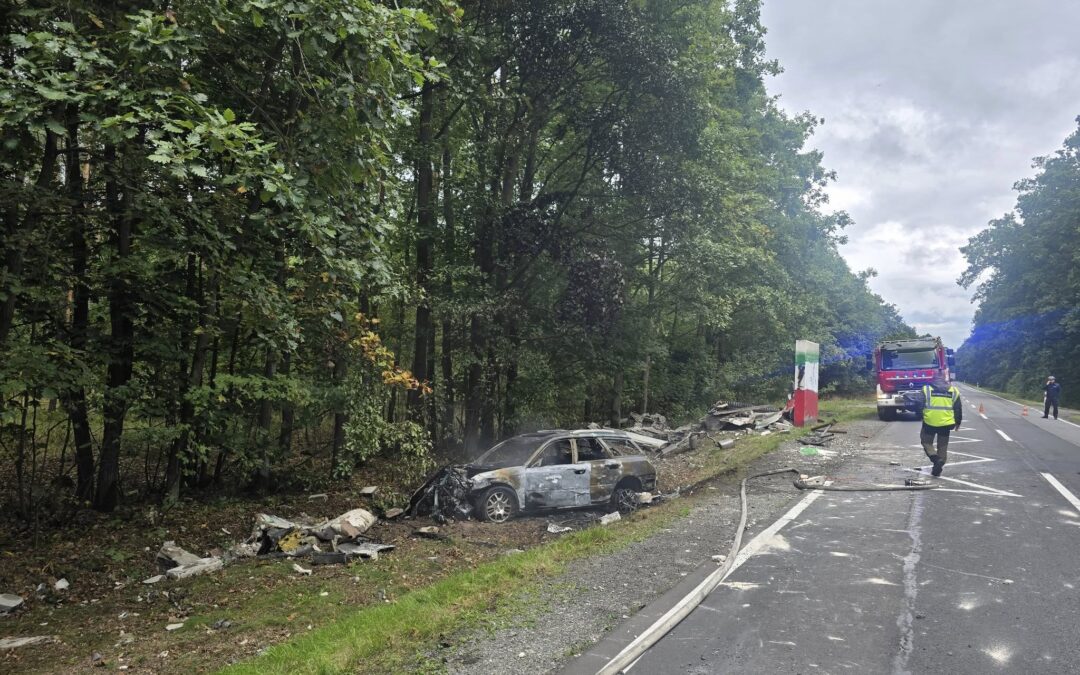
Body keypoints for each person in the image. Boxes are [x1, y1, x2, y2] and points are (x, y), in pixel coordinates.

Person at [904, 376, 962, 477]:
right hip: (946, 423)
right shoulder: (954, 391)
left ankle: (936, 460)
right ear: (945, 381)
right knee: (943, 446)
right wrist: (958, 422)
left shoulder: (926, 389)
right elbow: (958, 409)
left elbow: (919, 403)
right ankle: (938, 466)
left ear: (932, 381)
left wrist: (920, 415)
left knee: (926, 442)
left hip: (929, 421)